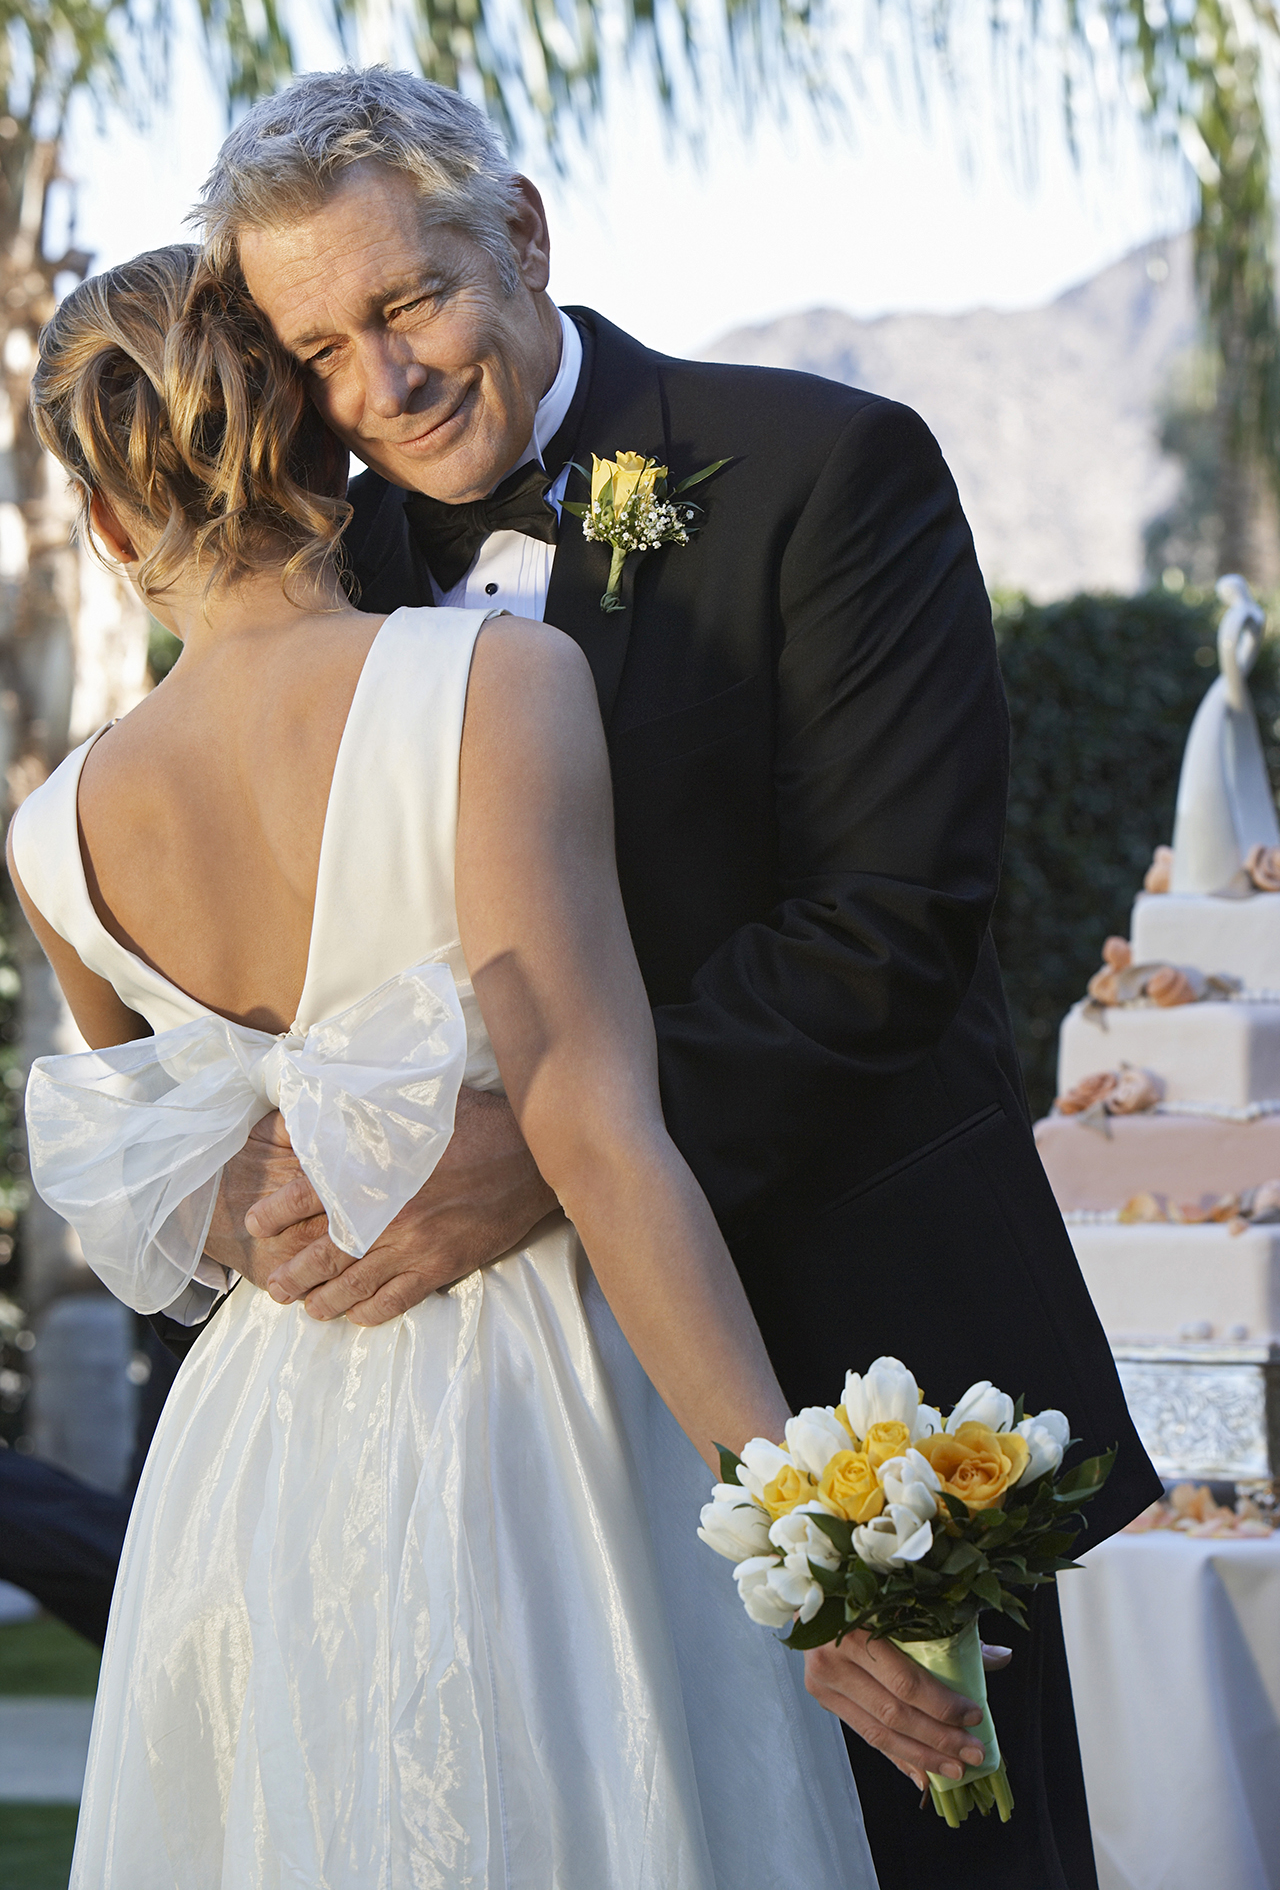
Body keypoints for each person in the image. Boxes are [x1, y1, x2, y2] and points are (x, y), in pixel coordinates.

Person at [185, 67, 1162, 1890]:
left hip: (861, 1365)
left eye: (408, 305)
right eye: (317, 348)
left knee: (950, 1855)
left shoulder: (823, 469)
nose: (378, 387)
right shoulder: (325, 584)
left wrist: (541, 1148)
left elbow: (894, 930)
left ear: (525, 237)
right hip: (513, 1426)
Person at [11, 246, 877, 1887]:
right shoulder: (494, 683)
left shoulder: (54, 837)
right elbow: (607, 1146)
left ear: (114, 529)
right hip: (547, 1416)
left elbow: (178, 1193)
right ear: (326, 444)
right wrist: (814, 1546)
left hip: (254, 1470)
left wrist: (270, 1201)